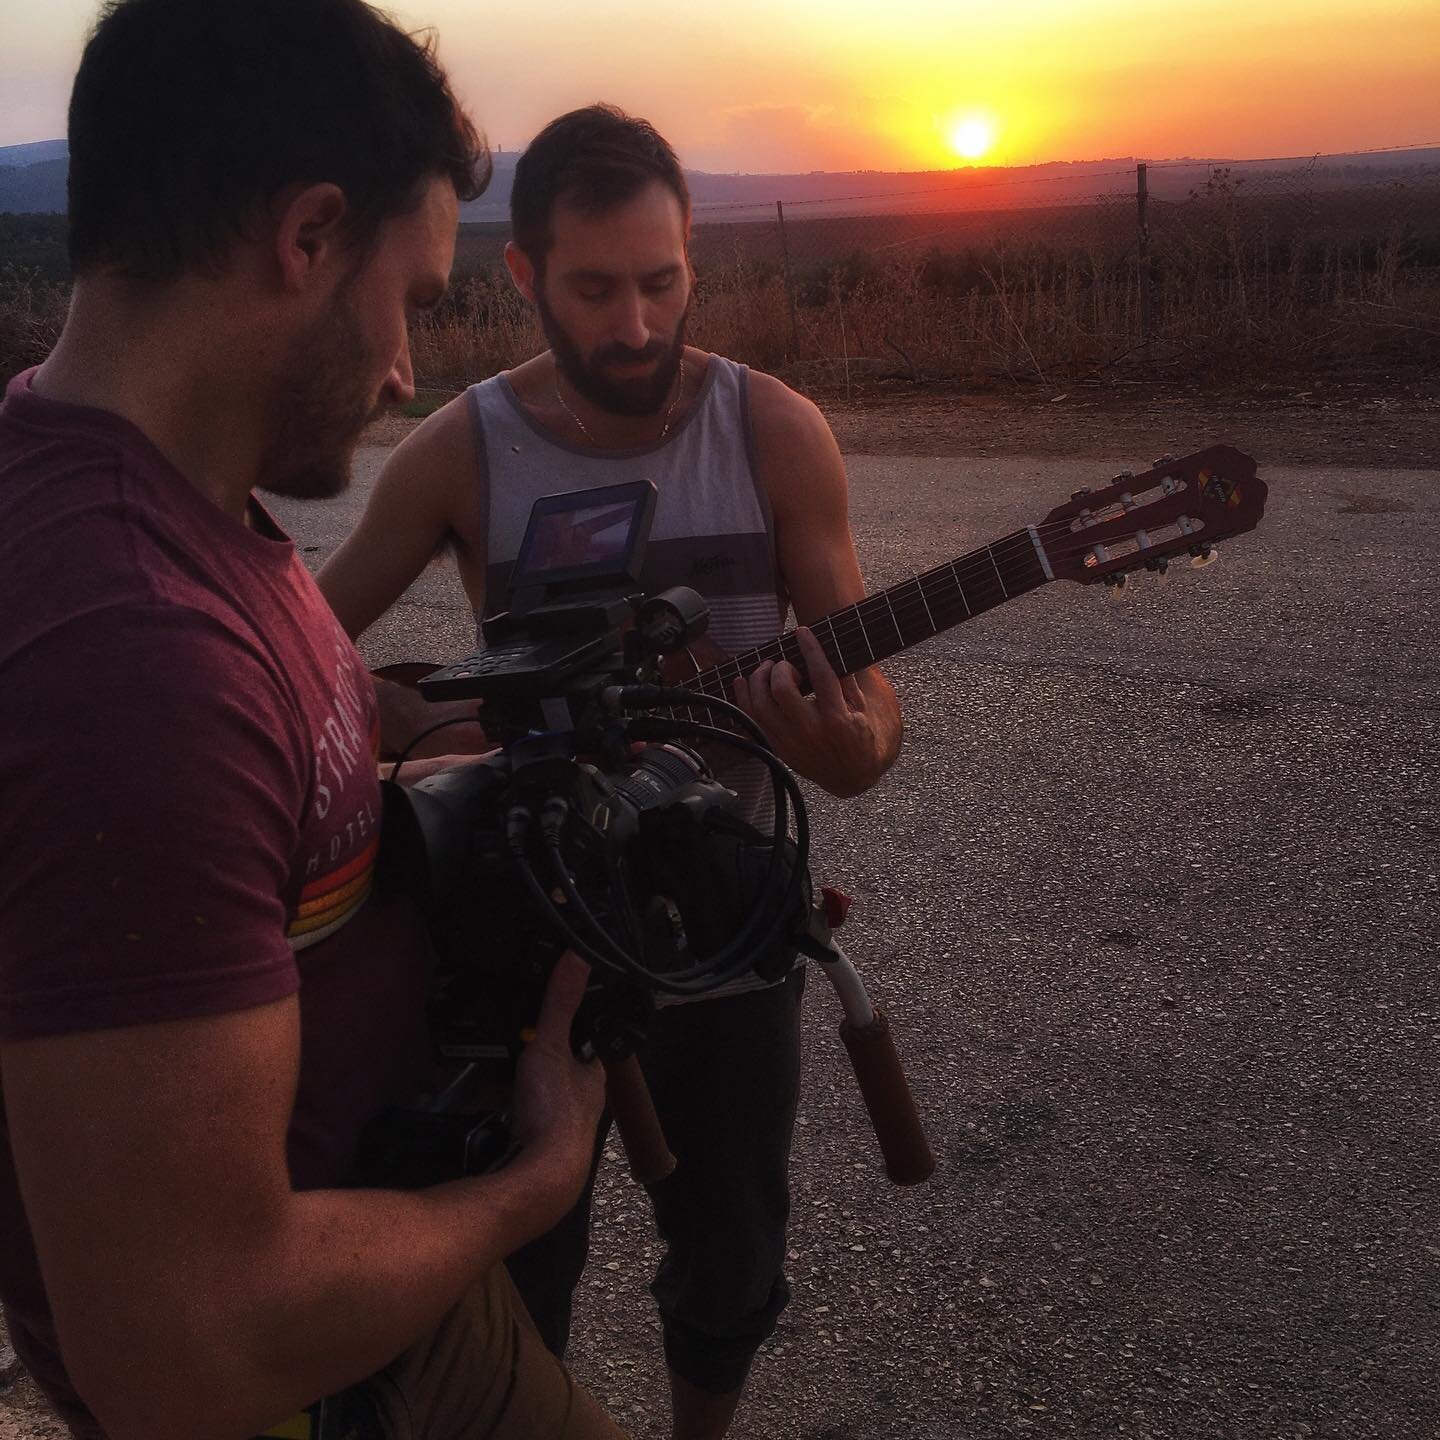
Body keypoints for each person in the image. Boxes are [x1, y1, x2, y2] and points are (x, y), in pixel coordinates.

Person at [0, 5, 623, 1439]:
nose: (411, 368)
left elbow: (255, 773)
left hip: (379, 1283)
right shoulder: (131, 655)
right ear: (306, 237)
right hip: (311, 1380)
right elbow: (189, 1347)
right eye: (408, 296)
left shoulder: (146, 486)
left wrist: (428, 735)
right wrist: (530, 1185)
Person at [318, 105, 904, 1438]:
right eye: (595, 288)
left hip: (731, 928)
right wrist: (440, 734)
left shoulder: (777, 431)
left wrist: (850, 747)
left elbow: (869, 715)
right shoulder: (461, 448)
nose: (637, 325)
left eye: (663, 281)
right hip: (524, 952)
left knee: (735, 1251)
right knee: (522, 1277)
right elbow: (296, 665)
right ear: (520, 276)